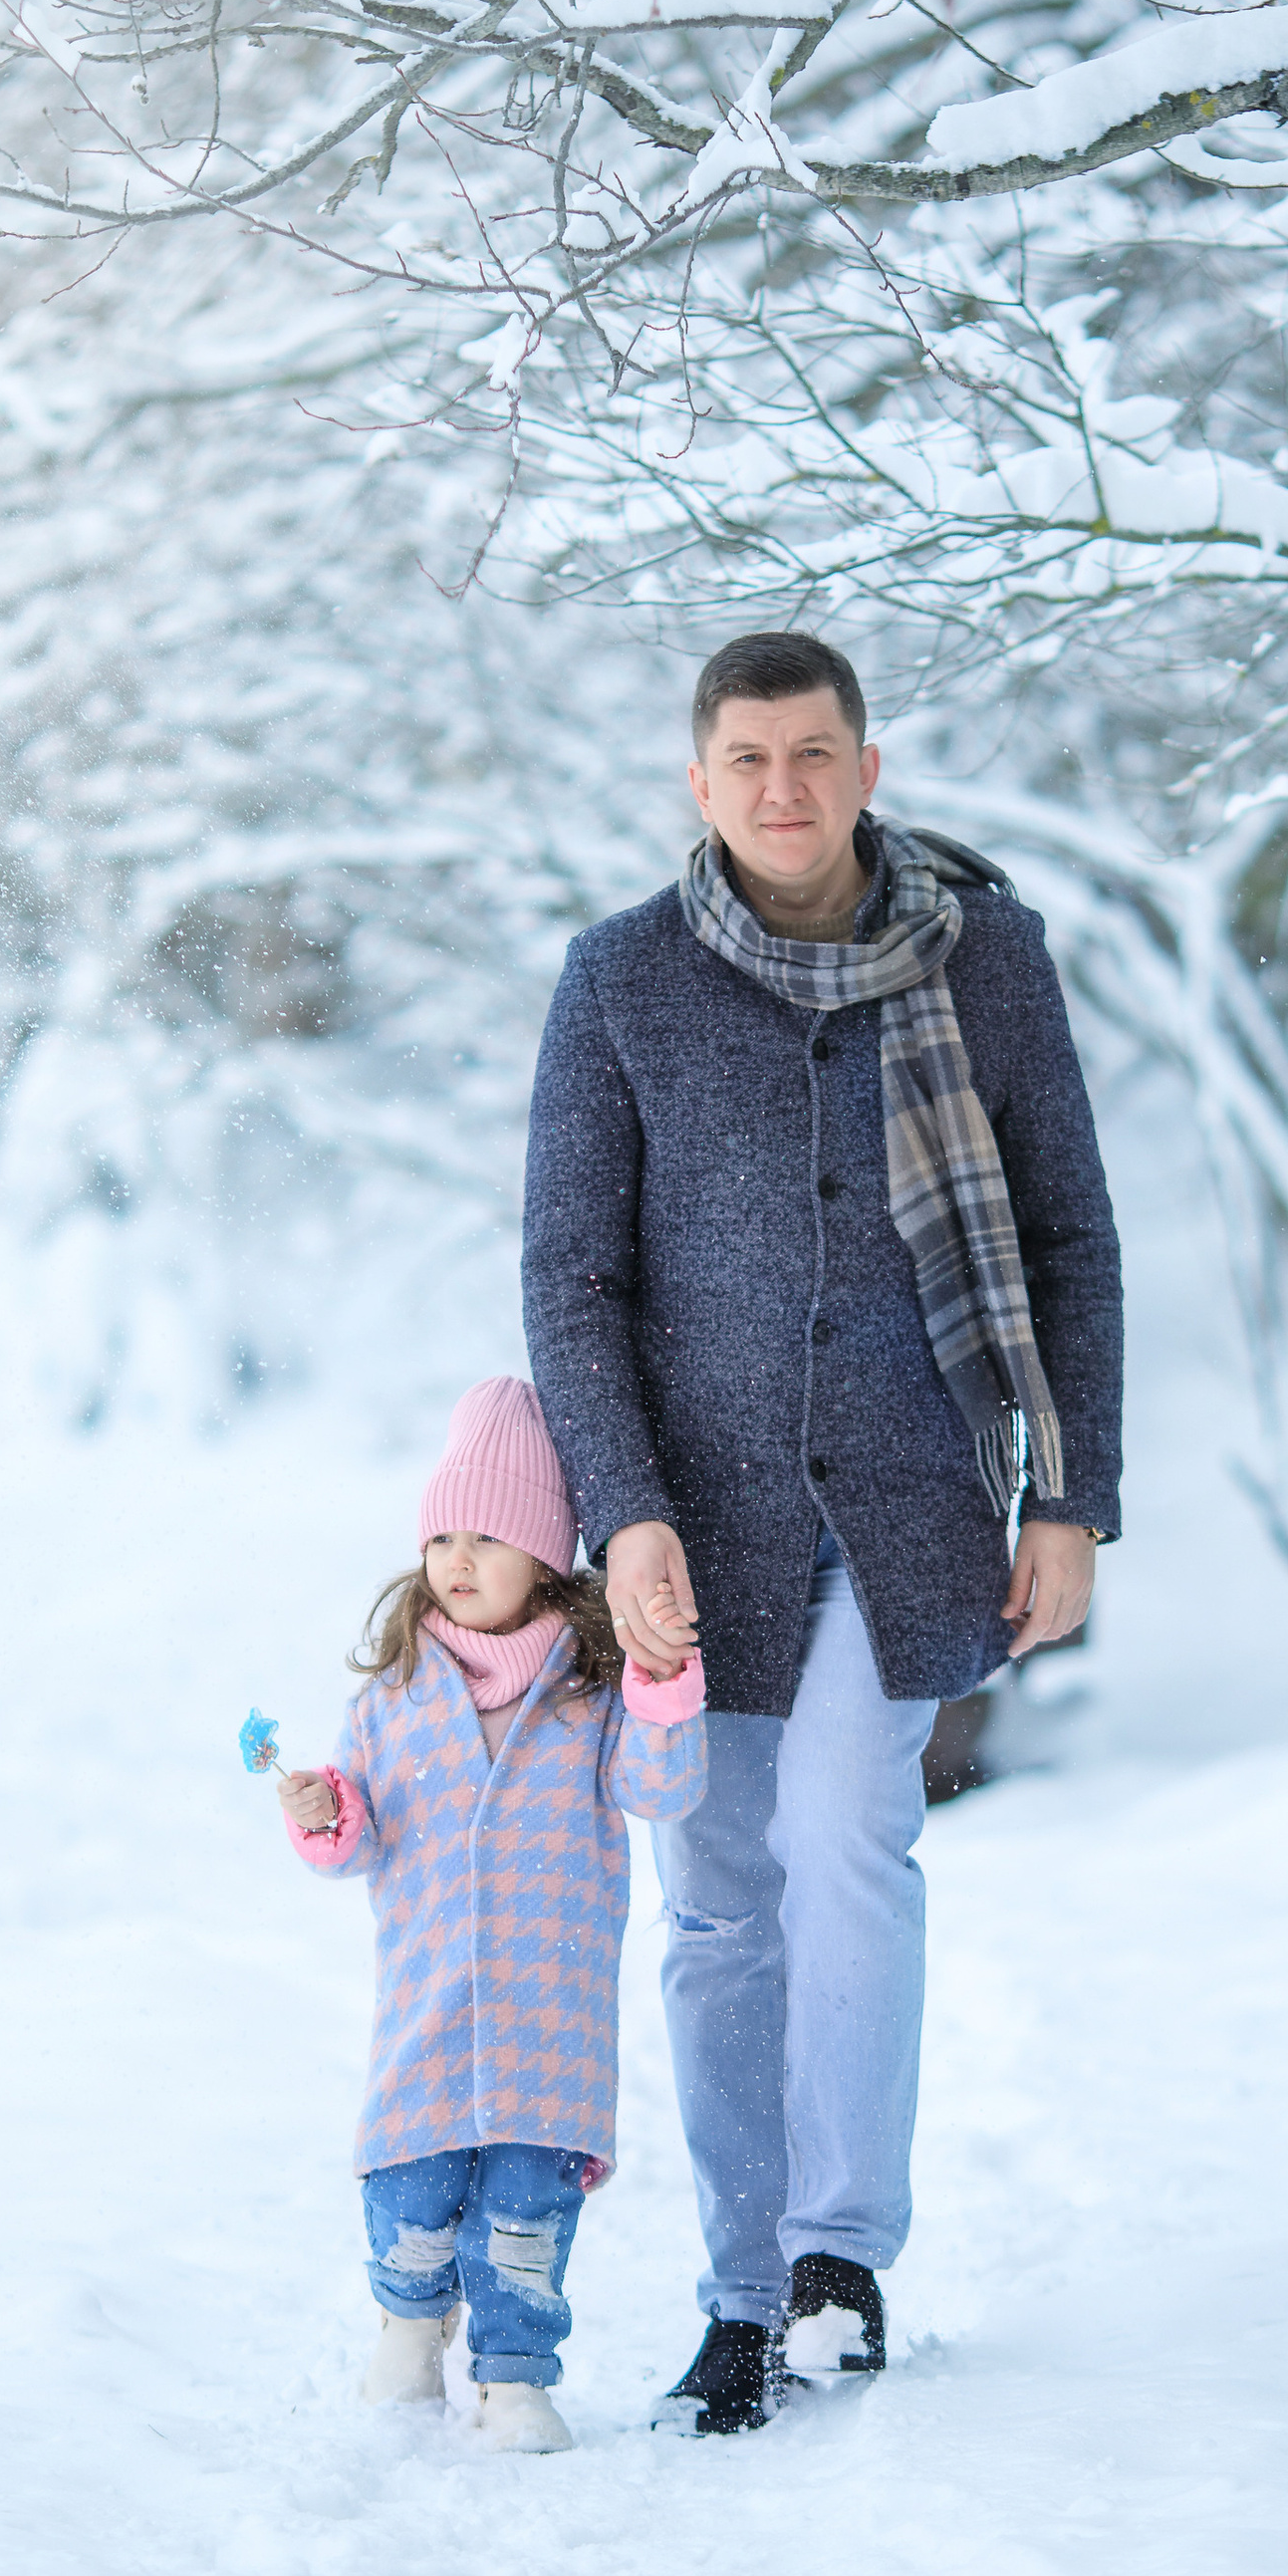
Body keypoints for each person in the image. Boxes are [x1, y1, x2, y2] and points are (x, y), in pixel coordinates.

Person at [523, 630, 1124, 2436]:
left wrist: (1075, 1497)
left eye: (814, 752)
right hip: (692, 1528)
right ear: (699, 786)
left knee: (852, 1844)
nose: (783, 788)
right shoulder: (620, 981)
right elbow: (573, 1278)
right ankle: (735, 2289)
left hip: (912, 1497)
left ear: (867, 765)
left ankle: (838, 2259)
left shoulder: (986, 958)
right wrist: (621, 1512)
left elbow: (1071, 1235)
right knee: (718, 1907)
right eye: (747, 759)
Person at [274, 1375, 707, 2452]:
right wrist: (326, 1811)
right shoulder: (392, 1697)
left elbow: (659, 1793)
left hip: (544, 2020)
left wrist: (662, 1689)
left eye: (487, 1537)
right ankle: (408, 2334)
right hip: (426, 2013)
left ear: (546, 1560)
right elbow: (358, 1841)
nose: (456, 1561)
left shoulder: (586, 1695)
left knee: (522, 2214)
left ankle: (514, 2377)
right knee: (413, 2195)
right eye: (441, 1538)